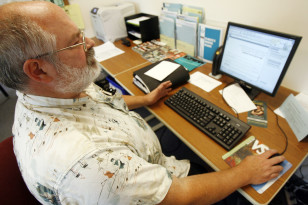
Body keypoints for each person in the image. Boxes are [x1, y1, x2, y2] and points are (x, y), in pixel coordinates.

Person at [0, 1, 285, 205]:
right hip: (166, 185)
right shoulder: (93, 166)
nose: (89, 42)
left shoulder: (48, 89)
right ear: (38, 70)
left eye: (81, 32)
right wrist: (243, 173)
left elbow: (100, 102)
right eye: (75, 42)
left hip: (144, 153)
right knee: (259, 192)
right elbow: (180, 195)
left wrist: (146, 99)